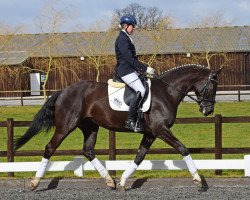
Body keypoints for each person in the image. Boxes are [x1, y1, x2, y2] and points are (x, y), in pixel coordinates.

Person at [114, 14, 155, 132]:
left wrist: (142, 70)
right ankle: (130, 121)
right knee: (140, 91)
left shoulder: (126, 37)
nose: (134, 28)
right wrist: (145, 68)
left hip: (130, 70)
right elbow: (129, 59)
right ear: (125, 26)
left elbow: (133, 59)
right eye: (132, 26)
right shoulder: (122, 39)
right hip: (125, 71)